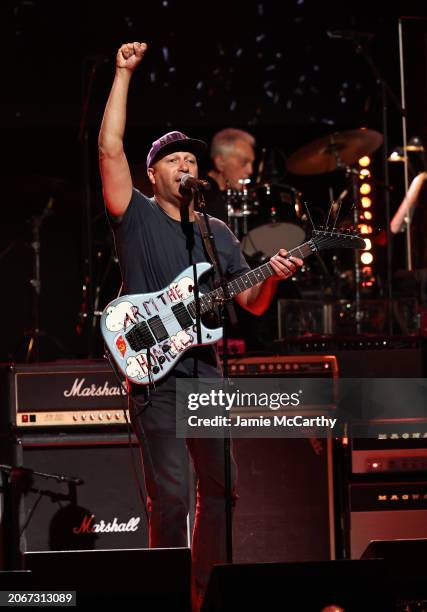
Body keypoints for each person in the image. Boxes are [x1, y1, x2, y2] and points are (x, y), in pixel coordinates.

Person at [98, 41, 302, 612]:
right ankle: (166, 596)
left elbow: (254, 305)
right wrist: (123, 74)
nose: (185, 166)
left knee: (223, 491)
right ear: (153, 173)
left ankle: (205, 592)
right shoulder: (135, 216)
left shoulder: (217, 233)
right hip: (156, 378)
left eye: (191, 159)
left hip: (206, 375)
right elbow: (109, 148)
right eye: (173, 160)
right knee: (168, 494)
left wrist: (276, 274)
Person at [203, 128, 257, 223]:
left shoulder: (239, 197)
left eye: (251, 163)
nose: (250, 171)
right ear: (220, 162)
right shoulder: (200, 197)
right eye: (244, 163)